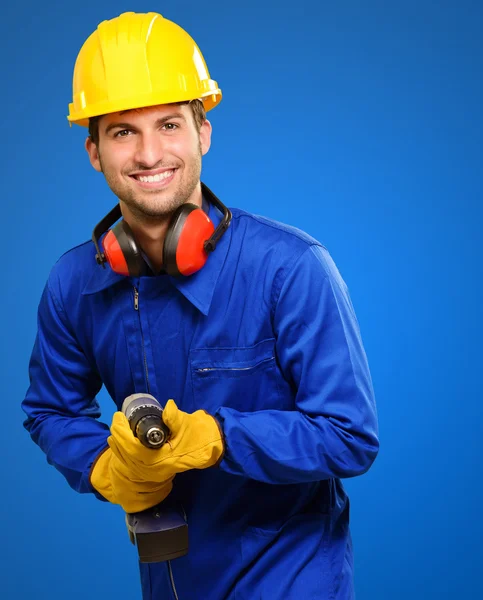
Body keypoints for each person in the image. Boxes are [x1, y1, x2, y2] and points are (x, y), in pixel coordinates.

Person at [22, 11, 379, 600]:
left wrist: (220, 437)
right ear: (94, 151)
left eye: (168, 124)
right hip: (170, 580)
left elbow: (349, 436)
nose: (149, 153)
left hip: (290, 577)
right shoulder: (73, 283)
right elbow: (50, 411)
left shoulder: (289, 268)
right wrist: (103, 467)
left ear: (203, 132)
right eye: (122, 132)